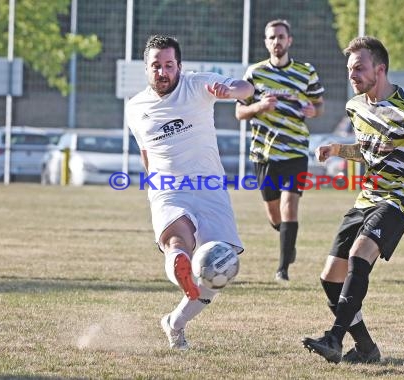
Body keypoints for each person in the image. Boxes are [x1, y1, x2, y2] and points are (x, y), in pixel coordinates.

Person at [302, 36, 404, 364]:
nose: (352, 75)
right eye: (349, 69)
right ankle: (367, 349)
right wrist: (336, 149)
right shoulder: (356, 107)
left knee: (360, 254)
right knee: (330, 277)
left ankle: (334, 337)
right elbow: (369, 150)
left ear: (380, 69)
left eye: (359, 68)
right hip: (368, 197)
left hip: (401, 197)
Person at [126, 35, 254, 350]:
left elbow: (246, 88)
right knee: (177, 242)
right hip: (168, 188)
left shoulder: (197, 85)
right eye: (155, 66)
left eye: (168, 65)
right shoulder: (135, 108)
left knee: (218, 271)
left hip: (210, 187)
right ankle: (181, 266)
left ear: (179, 66)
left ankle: (175, 322)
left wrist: (231, 91)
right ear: (146, 69)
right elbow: (145, 153)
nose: (162, 72)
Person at [235, 19, 325, 282]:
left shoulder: (306, 72)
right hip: (264, 153)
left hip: (296, 151)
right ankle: (289, 242)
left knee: (289, 205)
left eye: (281, 37)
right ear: (266, 42)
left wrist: (313, 111)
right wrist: (259, 107)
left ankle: (283, 268)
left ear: (290, 40)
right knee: (275, 215)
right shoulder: (255, 73)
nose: (277, 41)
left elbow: (319, 105)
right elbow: (240, 112)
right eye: (272, 37)